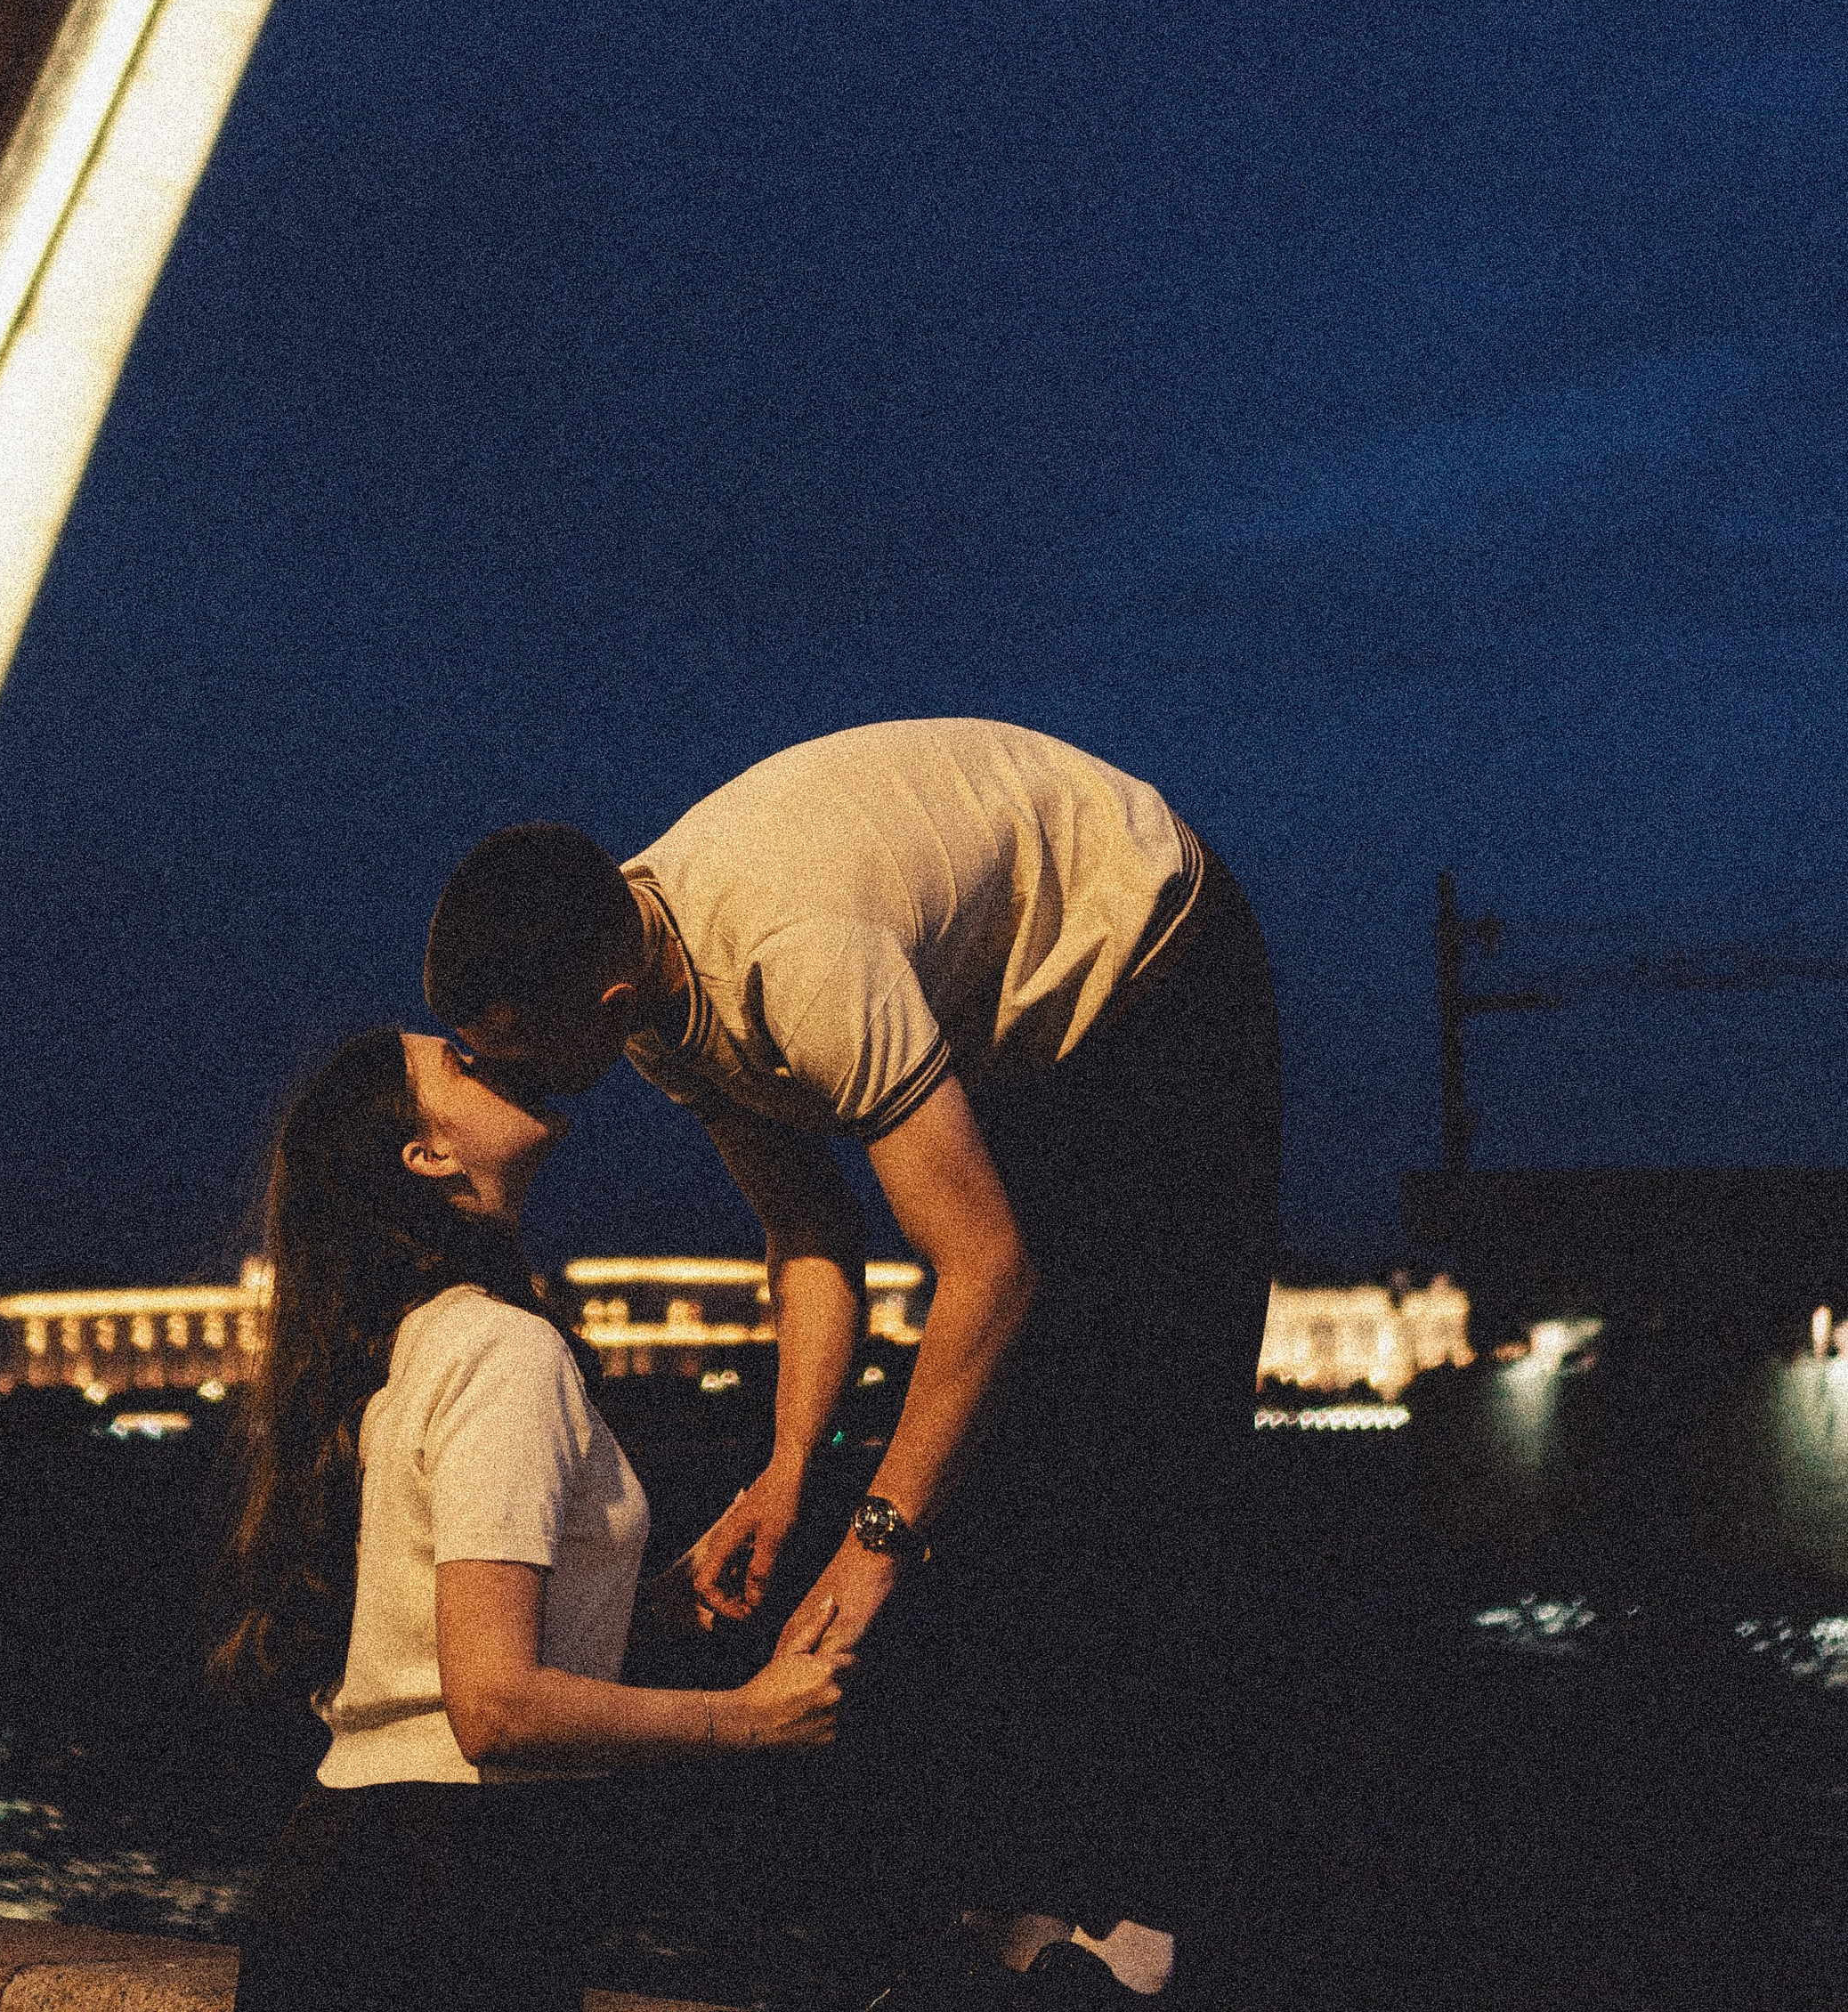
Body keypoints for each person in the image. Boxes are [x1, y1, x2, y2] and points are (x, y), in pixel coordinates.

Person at [422, 720, 1283, 2003]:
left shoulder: (799, 959)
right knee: (984, 1455)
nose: (513, 1084)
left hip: (1156, 957)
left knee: (1132, 1445)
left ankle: (1139, 1922)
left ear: (599, 1005)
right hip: (1023, 1022)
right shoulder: (647, 992)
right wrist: (785, 1471)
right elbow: (810, 1234)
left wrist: (872, 1544)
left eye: (517, 1056)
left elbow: (985, 1267)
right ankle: (1019, 1898)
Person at [221, 1024, 856, 2012]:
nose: (491, 1052)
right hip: (446, 1887)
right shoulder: (501, 1350)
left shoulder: (423, 1343)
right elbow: (493, 1708)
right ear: (428, 1153)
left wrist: (637, 1605)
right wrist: (748, 1718)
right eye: (458, 1062)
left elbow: (432, 1641)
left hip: (372, 1862)